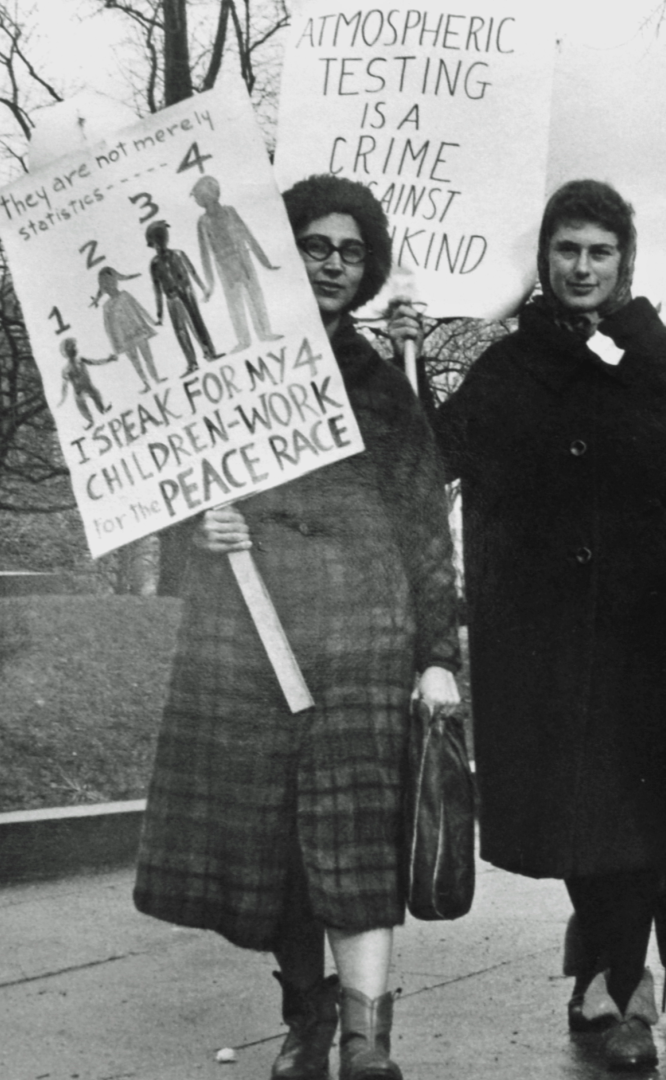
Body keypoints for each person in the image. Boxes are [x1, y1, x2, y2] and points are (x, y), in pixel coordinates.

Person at [135, 173, 460, 1080]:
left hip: (363, 624)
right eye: (316, 245)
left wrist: (438, 655)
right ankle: (307, 1017)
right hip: (251, 620)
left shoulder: (384, 382)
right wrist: (203, 528)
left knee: (354, 835)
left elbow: (427, 527)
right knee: (274, 846)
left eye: (353, 253)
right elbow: (173, 481)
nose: (334, 264)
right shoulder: (231, 366)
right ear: (285, 250)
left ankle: (367, 1041)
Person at [434, 179, 666, 1072]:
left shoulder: (662, 361)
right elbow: (433, 457)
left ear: (624, 260)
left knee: (632, 805)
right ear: (544, 257)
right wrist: (411, 356)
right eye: (568, 249)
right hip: (537, 632)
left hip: (641, 629)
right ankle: (598, 960)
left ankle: (628, 989)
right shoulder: (503, 368)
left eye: (600, 251)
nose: (583, 267)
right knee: (570, 810)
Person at [192, 173, 284, 352]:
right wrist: (209, 285)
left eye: (201, 195)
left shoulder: (230, 211)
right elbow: (205, 255)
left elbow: (248, 235)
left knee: (255, 296)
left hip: (243, 260)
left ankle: (265, 332)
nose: (202, 200)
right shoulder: (202, 222)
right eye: (199, 197)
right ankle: (243, 340)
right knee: (234, 303)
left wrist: (265, 262)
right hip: (224, 265)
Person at [146, 218, 221, 375]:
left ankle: (210, 352)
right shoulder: (155, 264)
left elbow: (192, 271)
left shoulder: (179, 254)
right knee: (180, 330)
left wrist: (203, 288)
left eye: (163, 237)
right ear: (152, 242)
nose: (161, 242)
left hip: (187, 292)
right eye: (157, 238)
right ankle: (192, 363)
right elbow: (157, 289)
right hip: (172, 298)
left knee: (197, 322)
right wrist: (160, 314)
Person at [93, 266, 163, 391]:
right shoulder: (107, 306)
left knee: (147, 356)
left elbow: (139, 308)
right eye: (105, 284)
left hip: (138, 330)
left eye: (110, 281)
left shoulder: (125, 295)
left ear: (115, 281)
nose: (108, 286)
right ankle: (146, 383)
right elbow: (108, 328)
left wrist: (152, 321)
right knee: (135, 361)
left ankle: (156, 378)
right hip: (124, 338)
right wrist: (114, 345)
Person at [56, 336, 113, 426]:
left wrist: (108, 360)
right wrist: (62, 399)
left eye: (74, 347)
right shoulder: (66, 369)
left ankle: (102, 409)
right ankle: (90, 420)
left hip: (89, 386)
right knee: (81, 405)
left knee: (96, 395)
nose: (75, 349)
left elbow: (95, 362)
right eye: (72, 347)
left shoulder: (81, 360)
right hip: (79, 392)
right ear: (67, 352)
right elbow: (64, 386)